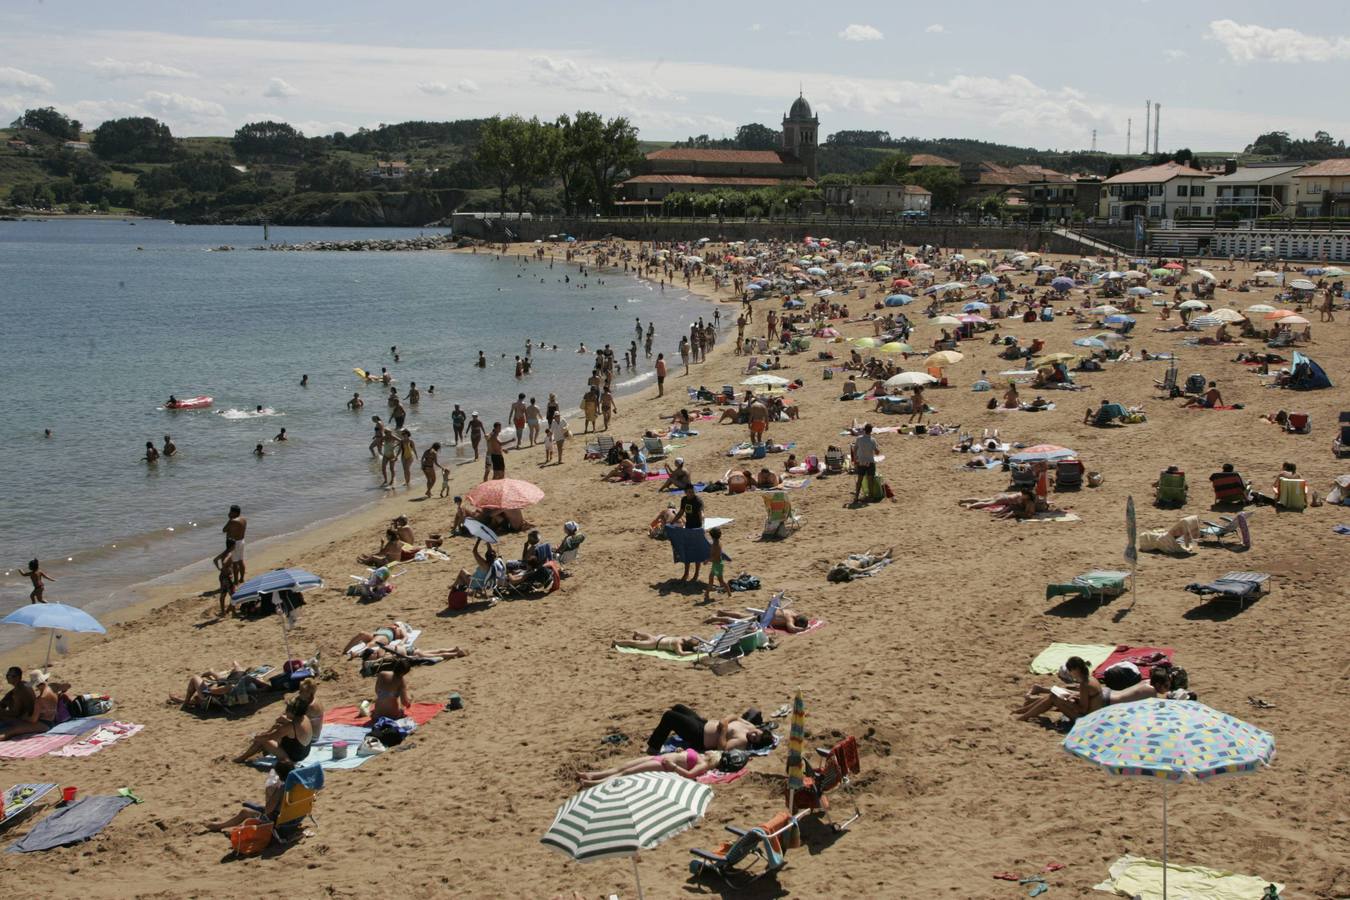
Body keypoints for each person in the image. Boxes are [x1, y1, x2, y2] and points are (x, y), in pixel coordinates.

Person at [204, 758, 295, 833]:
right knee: (255, 808)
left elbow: (268, 811)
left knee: (245, 812)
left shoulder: (281, 789)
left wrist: (270, 793)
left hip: (278, 821)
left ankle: (219, 826)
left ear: (278, 774)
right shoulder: (300, 784)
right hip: (294, 817)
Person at [578, 748, 748, 787]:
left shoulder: (703, 765)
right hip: (661, 758)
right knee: (623, 767)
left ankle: (594, 783)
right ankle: (593, 775)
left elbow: (689, 775)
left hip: (663, 765)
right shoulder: (702, 757)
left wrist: (673, 766)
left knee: (627, 772)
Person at [645, 704, 773, 755]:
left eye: (755, 739)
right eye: (757, 734)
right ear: (760, 730)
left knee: (670, 716)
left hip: (700, 736)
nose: (753, 735)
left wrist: (723, 730)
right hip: (703, 723)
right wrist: (726, 720)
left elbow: (722, 749)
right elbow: (737, 717)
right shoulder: (750, 726)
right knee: (678, 708)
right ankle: (661, 733)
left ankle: (653, 748)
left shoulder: (742, 741)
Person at [1010, 656, 1104, 722]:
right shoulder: (1091, 679)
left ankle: (1024, 715)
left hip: (1085, 719)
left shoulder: (1084, 684)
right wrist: (1075, 695)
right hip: (1093, 715)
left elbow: (1083, 710)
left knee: (1054, 698)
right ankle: (1024, 711)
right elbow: (1088, 698)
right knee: (1055, 695)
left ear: (1075, 670)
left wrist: (1068, 701)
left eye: (1069, 671)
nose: (1070, 673)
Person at [233, 695, 314, 764]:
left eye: (287, 709)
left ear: (292, 711)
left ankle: (242, 758)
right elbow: (294, 727)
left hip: (294, 757)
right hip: (304, 752)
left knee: (262, 740)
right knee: (277, 727)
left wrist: (256, 737)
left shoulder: (290, 726)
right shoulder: (304, 718)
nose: (285, 712)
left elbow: (269, 737)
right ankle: (258, 749)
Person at [213, 505, 247, 584]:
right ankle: (241, 578)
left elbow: (224, 530)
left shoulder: (233, 521)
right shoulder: (243, 519)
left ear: (234, 512)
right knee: (241, 561)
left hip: (234, 543)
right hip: (241, 541)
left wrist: (229, 519)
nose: (229, 513)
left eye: (230, 512)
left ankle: (235, 581)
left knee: (235, 563)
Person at [851, 423, 880, 504]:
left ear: (864, 430)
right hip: (870, 462)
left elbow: (855, 449)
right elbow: (877, 452)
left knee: (859, 480)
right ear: (871, 431)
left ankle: (856, 496)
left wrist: (855, 459)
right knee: (870, 480)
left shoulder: (859, 438)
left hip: (861, 462)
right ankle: (871, 497)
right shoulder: (873, 440)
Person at [612, 632, 702, 655]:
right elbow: (680, 653)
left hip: (660, 637)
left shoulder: (683, 638)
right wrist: (693, 653)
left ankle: (638, 633)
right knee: (634, 644)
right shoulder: (677, 644)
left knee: (649, 636)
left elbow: (694, 638)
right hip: (655, 644)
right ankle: (617, 642)